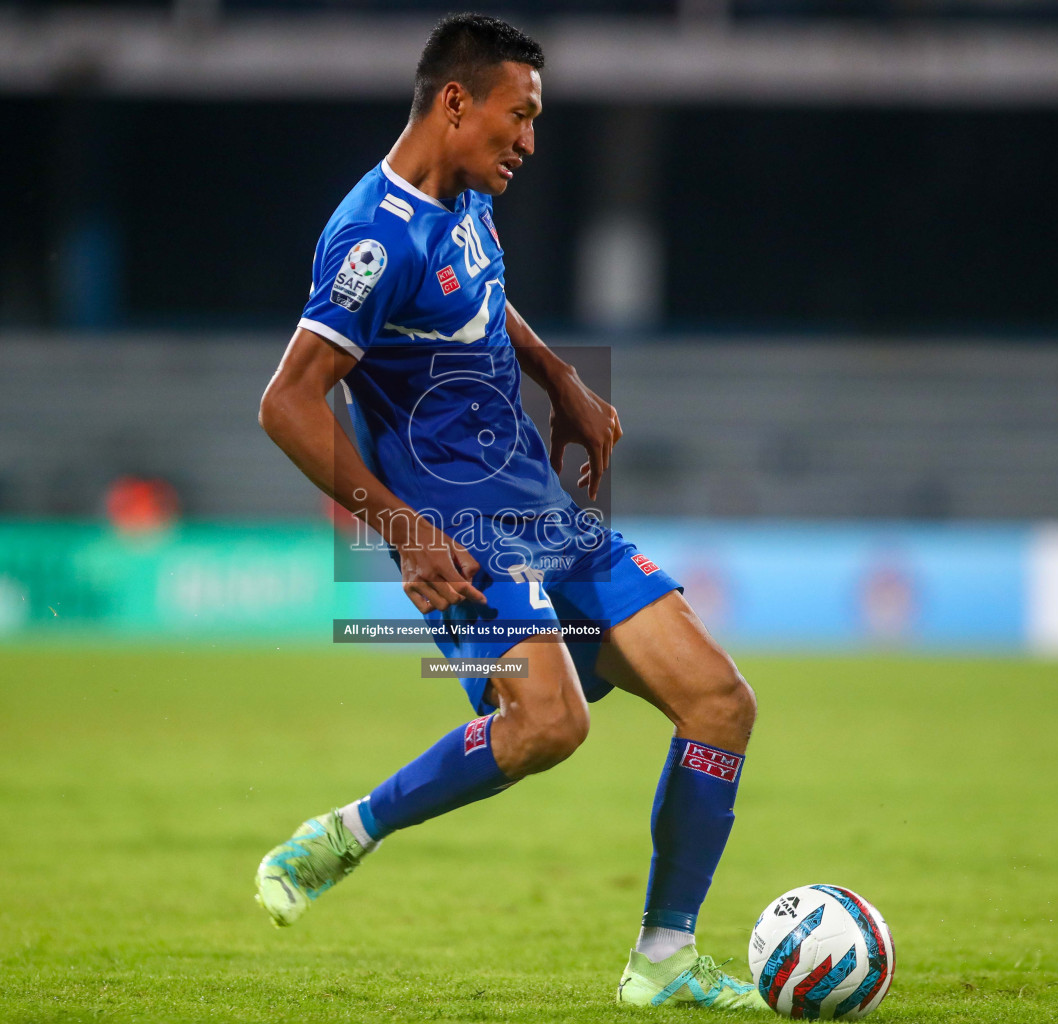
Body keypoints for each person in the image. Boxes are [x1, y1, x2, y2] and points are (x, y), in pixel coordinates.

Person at [255, 13, 766, 1012]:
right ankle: (346, 833)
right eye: (519, 117)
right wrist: (400, 529)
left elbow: (482, 297)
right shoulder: (371, 235)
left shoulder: (468, 195)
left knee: (721, 702)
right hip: (463, 537)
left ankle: (663, 956)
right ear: (456, 102)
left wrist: (557, 375)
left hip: (545, 512)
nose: (530, 140)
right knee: (547, 726)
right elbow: (286, 401)